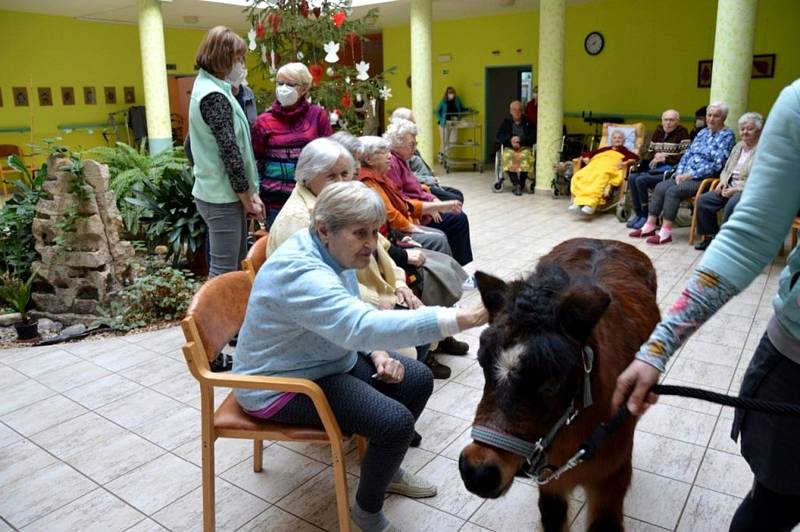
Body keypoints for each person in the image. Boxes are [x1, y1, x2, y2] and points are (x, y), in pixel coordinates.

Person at [234, 181, 488, 532]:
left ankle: (384, 469)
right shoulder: (302, 271)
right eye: (361, 233)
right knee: (394, 423)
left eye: (374, 231)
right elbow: (358, 324)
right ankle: (366, 514)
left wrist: (377, 353)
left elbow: (349, 318)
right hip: (281, 384)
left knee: (417, 378)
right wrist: (461, 318)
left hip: (322, 360)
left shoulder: (331, 252)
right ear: (324, 229)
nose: (371, 244)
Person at [613, 79, 800, 532]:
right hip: (795, 363)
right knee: (775, 503)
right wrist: (657, 347)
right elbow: (748, 235)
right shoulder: (798, 105)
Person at [266, 138, 455, 380]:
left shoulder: (338, 205)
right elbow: (325, 288)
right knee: (412, 354)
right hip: (326, 325)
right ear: (306, 177)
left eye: (345, 174)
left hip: (366, 297)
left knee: (417, 330)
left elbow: (380, 247)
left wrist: (398, 283)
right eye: (332, 177)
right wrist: (376, 302)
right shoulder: (301, 220)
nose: (343, 182)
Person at [629, 102, 736, 244]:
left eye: (716, 116)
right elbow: (687, 155)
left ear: (723, 118)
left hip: (703, 178)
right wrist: (679, 173)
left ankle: (665, 233)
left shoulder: (727, 135)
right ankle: (649, 226)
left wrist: (690, 175)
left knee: (673, 191)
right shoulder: (702, 132)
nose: (711, 119)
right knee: (661, 187)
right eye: (709, 115)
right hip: (684, 175)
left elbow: (718, 164)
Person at [252, 62, 332, 228]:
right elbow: (256, 160)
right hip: (274, 202)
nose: (283, 88)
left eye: (290, 84)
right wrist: (256, 195)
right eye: (280, 83)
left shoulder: (317, 116)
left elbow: (329, 155)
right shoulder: (264, 121)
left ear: (303, 88)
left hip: (310, 199)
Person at [385, 120, 474, 266]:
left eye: (415, 144)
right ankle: (457, 267)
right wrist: (430, 207)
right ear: (397, 144)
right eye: (411, 145)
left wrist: (433, 200)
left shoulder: (401, 159)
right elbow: (401, 199)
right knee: (458, 220)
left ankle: (457, 266)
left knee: (456, 211)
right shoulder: (393, 163)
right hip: (415, 216)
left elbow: (417, 189)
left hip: (422, 206)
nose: (414, 148)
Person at [357, 135, 458, 258]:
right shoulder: (368, 181)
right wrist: (412, 228)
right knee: (439, 239)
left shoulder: (380, 175)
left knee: (443, 230)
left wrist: (440, 206)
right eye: (384, 152)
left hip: (403, 226)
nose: (389, 156)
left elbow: (405, 203)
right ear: (369, 159)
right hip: (395, 234)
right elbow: (390, 215)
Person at [694, 112, 764, 251]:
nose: (745, 132)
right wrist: (723, 182)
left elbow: (761, 178)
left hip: (749, 190)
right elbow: (727, 168)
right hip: (729, 186)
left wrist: (737, 189)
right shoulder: (738, 146)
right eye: (742, 129)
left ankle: (725, 242)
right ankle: (710, 236)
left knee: (732, 204)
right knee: (703, 200)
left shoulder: (764, 149)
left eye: (749, 129)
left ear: (759, 130)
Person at [625, 109, 691, 229]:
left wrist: (665, 159)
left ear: (677, 121)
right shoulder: (658, 131)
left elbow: (686, 157)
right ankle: (638, 214)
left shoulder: (683, 133)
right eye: (666, 120)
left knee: (641, 180)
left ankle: (646, 216)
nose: (668, 123)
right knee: (632, 177)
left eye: (671, 120)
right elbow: (648, 153)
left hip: (670, 170)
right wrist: (655, 156)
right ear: (662, 120)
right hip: (653, 168)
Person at [390, 107, 464, 203]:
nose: (415, 125)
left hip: (426, 183)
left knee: (457, 194)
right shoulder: (399, 145)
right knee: (456, 199)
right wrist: (429, 180)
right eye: (412, 122)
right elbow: (406, 176)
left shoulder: (408, 140)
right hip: (421, 186)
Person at [568, 130, 639, 215]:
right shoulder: (604, 149)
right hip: (594, 167)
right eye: (614, 138)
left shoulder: (626, 152)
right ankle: (578, 202)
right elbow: (589, 153)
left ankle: (591, 204)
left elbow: (635, 158)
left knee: (600, 178)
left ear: (623, 141)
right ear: (611, 140)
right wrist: (586, 157)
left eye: (619, 138)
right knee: (581, 176)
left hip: (608, 169)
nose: (617, 140)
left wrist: (626, 162)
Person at [496, 100, 536, 195]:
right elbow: (499, 136)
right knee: (509, 156)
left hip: (524, 147)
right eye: (514, 110)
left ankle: (521, 183)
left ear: (522, 111)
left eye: (519, 110)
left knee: (526, 156)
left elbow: (533, 137)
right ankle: (516, 184)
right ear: (510, 111)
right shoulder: (506, 122)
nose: (517, 112)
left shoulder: (528, 122)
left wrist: (521, 140)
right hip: (510, 147)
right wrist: (510, 141)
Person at [434, 86, 467, 161]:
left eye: (452, 92)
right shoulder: (443, 101)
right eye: (449, 92)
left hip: (455, 122)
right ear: (446, 93)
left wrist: (468, 109)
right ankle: (442, 157)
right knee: (444, 141)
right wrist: (441, 119)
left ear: (454, 93)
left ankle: (442, 154)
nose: (451, 94)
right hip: (444, 123)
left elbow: (461, 108)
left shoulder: (457, 100)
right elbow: (436, 112)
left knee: (454, 141)